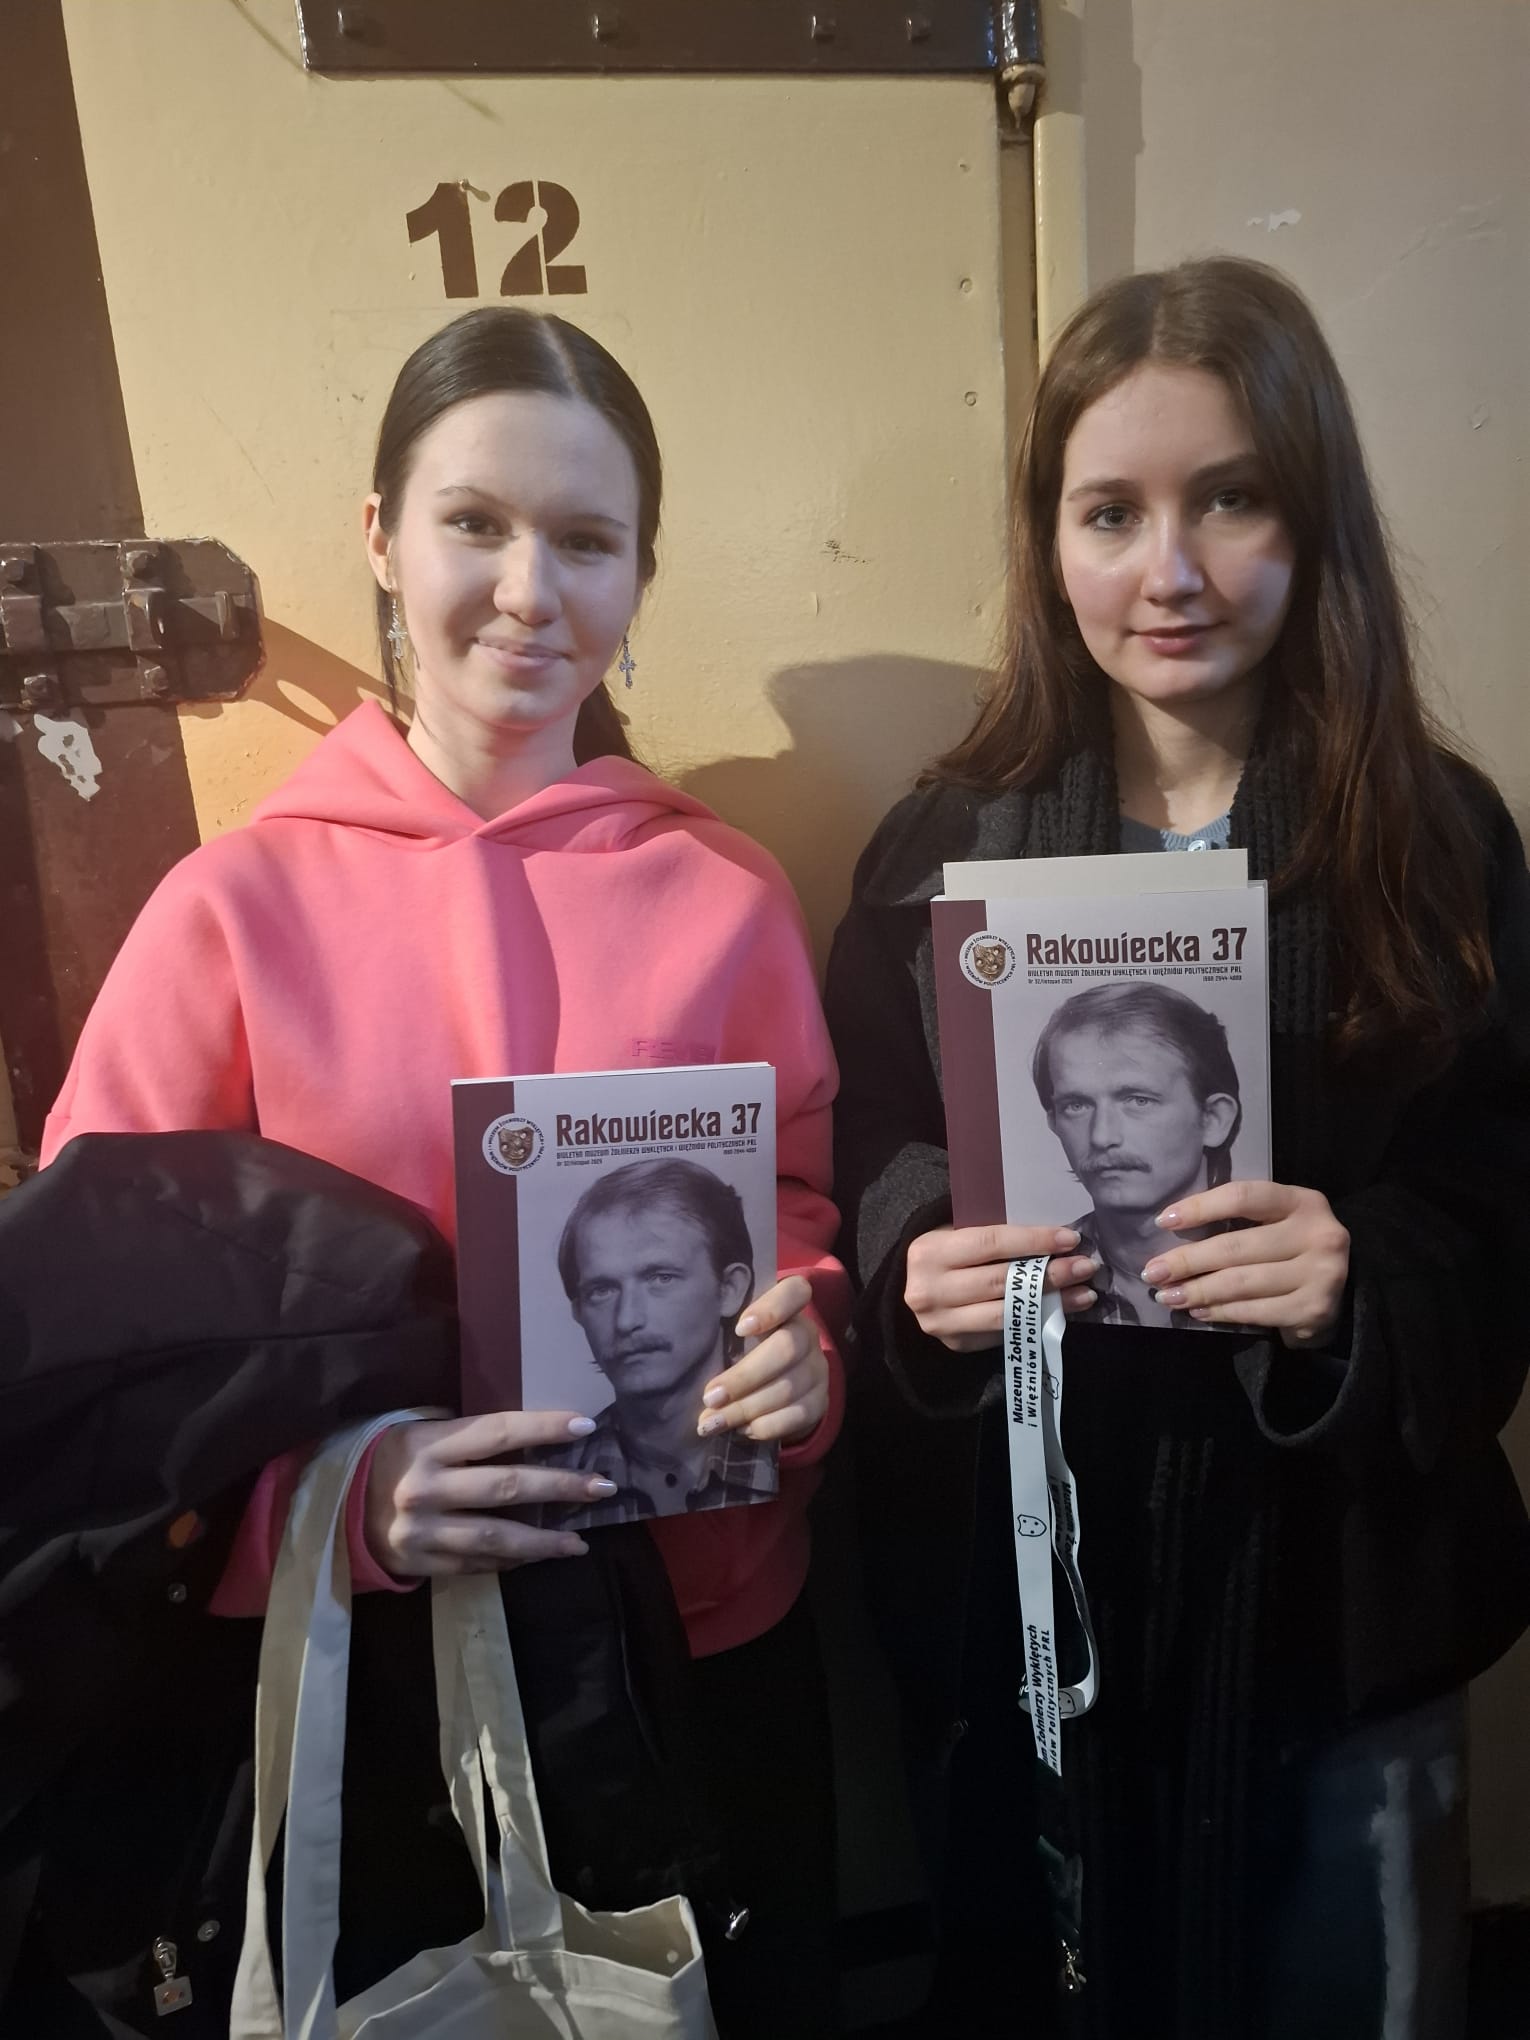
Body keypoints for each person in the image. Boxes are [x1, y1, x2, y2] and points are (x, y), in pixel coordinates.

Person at [41, 307, 846, 2037]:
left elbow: (790, 1207)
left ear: (643, 574)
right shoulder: (231, 911)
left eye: (587, 540)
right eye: (475, 522)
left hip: (694, 1647)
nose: (528, 592)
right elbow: (98, 1370)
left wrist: (807, 1346)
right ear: (380, 539)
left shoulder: (728, 894)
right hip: (359, 1684)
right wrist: (329, 1506)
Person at [826, 257, 1530, 2038]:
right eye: (1110, 512)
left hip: (1336, 1613)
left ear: (1313, 517)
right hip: (1041, 1610)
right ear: (1048, 539)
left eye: (1229, 498)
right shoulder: (941, 846)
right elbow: (868, 1136)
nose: (1171, 571)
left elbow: (1505, 1185)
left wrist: (1364, 1279)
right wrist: (920, 1246)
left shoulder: (1434, 842)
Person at [544, 1157, 775, 1523]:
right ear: (579, 1310)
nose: (627, 1320)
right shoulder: (544, 1481)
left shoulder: (782, 1447)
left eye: (661, 1278)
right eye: (602, 1290)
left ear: (729, 1289)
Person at [1032, 981, 1241, 1326]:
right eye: (1076, 1105)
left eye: (1138, 1100)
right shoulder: (1031, 1277)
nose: (1102, 1136)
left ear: (1213, 1119)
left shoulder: (1282, 1263)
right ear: (1054, 1122)